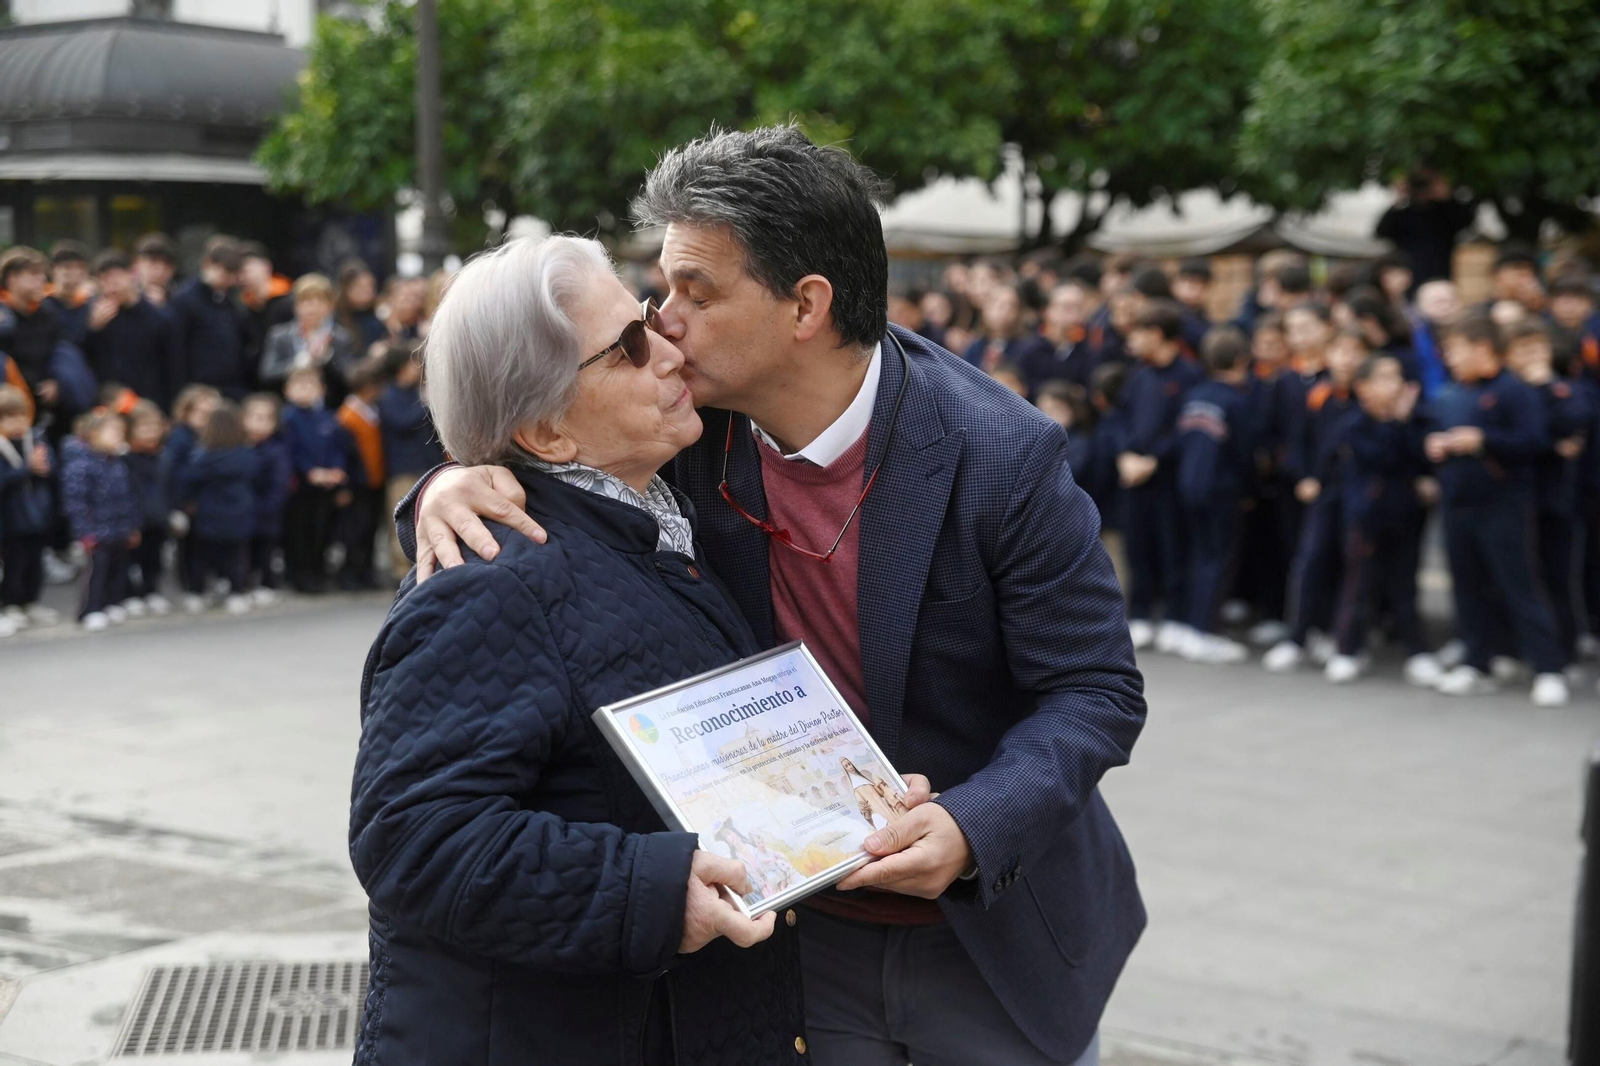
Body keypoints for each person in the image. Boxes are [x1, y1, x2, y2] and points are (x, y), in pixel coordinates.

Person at [400, 127, 1144, 1066]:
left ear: (806, 306)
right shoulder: (687, 423)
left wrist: (972, 821)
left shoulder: (998, 452)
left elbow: (1095, 689)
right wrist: (449, 482)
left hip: (989, 927)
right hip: (788, 933)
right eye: (662, 290)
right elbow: (548, 450)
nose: (662, 325)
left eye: (694, 295)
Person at [350, 232, 808, 1065]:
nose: (670, 348)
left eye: (646, 318)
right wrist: (654, 892)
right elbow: (414, 836)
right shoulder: (490, 578)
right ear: (548, 433)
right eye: (630, 347)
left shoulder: (654, 512)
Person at [1425, 313, 1568, 705]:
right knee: (1467, 587)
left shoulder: (1514, 391)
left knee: (1519, 586)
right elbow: (1432, 431)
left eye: (1456, 349)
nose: (1450, 358)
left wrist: (1484, 440)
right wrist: (1436, 446)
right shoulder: (1451, 393)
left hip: (1504, 505)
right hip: (1457, 504)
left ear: (1483, 348)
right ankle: (1477, 662)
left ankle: (1548, 668)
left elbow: (1534, 441)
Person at [1323, 355, 1439, 685]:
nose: (1394, 385)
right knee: (1358, 586)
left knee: (1405, 586)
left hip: (1407, 514)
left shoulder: (1417, 419)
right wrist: (1396, 424)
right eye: (1384, 378)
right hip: (1366, 516)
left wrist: (1424, 474)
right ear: (1363, 389)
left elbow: (1422, 455)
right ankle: (1347, 649)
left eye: (1397, 377)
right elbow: (1380, 457)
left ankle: (1417, 652)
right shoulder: (1353, 424)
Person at [1263, 320, 1363, 672]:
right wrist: (1306, 476)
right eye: (1341, 351)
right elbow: (1300, 441)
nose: (1348, 359)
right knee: (1311, 561)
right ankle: (1298, 637)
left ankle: (1341, 640)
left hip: (1361, 494)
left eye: (1356, 352)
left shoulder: (1369, 397)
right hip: (1323, 493)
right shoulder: (1318, 394)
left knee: (1351, 567)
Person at [1118, 300, 1203, 654]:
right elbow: (1119, 417)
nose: (1131, 340)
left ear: (1156, 334)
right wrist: (1124, 455)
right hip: (1133, 477)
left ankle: (1173, 617)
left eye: (1138, 332)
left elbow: (1187, 427)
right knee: (1137, 548)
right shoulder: (1138, 374)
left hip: (1168, 479)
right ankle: (1137, 616)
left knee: (1172, 550)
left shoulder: (1189, 376)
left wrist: (1154, 460)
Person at [1505, 319, 1591, 666]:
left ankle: (1563, 650)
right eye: (1522, 350)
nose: (1532, 357)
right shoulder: (1505, 390)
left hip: (1555, 499)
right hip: (1510, 499)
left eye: (1538, 348)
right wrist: (1551, 443)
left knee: (1556, 577)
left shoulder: (1566, 388)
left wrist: (1544, 388)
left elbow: (1575, 420)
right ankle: (1515, 648)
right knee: (1516, 579)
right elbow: (1530, 435)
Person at [1174, 327, 1254, 665]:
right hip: (1222, 491)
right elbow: (1244, 453)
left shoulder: (1194, 396)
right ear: (1241, 359)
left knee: (1199, 557)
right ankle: (1205, 631)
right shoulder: (1237, 401)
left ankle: (1192, 626)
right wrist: (1250, 489)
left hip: (1189, 487)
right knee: (1217, 560)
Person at [60, 409, 140, 631]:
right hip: (95, 531)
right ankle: (90, 609)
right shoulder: (80, 465)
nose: (119, 438)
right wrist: (83, 532)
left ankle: (111, 602)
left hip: (118, 528)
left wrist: (132, 525)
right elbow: (75, 503)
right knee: (96, 572)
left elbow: (129, 497)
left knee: (117, 568)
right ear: (93, 434)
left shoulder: (118, 464)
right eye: (114, 433)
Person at [179, 403, 258, 615]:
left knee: (201, 556)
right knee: (237, 555)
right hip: (240, 512)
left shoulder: (203, 457)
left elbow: (187, 481)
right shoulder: (247, 455)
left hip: (209, 513)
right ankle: (237, 592)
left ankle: (197, 592)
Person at [377, 342, 444, 583]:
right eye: (411, 364)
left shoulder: (418, 392)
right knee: (402, 518)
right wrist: (425, 403)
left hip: (427, 463)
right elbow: (401, 423)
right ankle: (400, 571)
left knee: (428, 516)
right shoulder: (389, 396)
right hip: (402, 467)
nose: (417, 369)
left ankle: (429, 564)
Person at [279, 366, 347, 593]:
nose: (305, 390)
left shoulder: (327, 417)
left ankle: (318, 572)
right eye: (299, 385)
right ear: (287, 390)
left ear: (322, 390)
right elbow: (291, 451)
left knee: (322, 529)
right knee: (300, 531)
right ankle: (299, 575)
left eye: (310, 385)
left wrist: (337, 469)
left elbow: (337, 448)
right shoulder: (288, 418)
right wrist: (309, 471)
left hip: (325, 485)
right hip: (300, 487)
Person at [84, 250, 179, 411]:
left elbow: (173, 367)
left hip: (150, 405)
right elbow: (85, 360)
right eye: (104, 280)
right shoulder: (95, 314)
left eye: (116, 278)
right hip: (109, 406)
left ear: (132, 275)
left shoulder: (158, 317)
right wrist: (92, 330)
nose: (111, 286)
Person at [0, 385, 56, 632]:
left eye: (22, 415)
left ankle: (29, 601)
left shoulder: (35, 439)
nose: (18, 422)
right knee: (14, 563)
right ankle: (11, 602)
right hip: (9, 520)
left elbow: (51, 468)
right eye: (9, 417)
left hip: (36, 514)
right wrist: (27, 468)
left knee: (35, 561)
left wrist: (45, 466)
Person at [169, 236, 252, 399]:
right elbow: (177, 351)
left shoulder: (228, 301)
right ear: (208, 264)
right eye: (224, 272)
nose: (228, 279)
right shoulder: (185, 300)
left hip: (231, 388)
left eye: (232, 274)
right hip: (199, 390)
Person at [259, 273, 358, 405]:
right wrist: (298, 362)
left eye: (319, 302)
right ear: (295, 306)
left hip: (328, 411)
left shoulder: (341, 337)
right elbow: (266, 374)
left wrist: (328, 359)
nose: (312, 308)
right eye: (306, 301)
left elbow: (349, 378)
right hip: (288, 410)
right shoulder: (279, 335)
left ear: (330, 306)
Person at [333, 357, 386, 589]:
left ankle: (366, 571)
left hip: (375, 479)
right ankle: (350, 573)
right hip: (357, 483)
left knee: (371, 529)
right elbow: (343, 455)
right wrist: (343, 486)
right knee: (355, 529)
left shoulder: (373, 411)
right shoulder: (347, 416)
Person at [1374, 170, 1474, 287]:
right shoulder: (1402, 214)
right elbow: (1380, 232)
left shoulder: (1444, 212)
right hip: (1409, 277)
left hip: (1440, 274)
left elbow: (1466, 222)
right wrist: (1399, 199)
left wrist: (1446, 196)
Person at [122, 400, 172, 615]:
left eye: (154, 426)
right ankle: (131, 595)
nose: (151, 432)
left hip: (157, 519)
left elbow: (169, 488)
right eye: (144, 427)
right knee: (132, 562)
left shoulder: (163, 456)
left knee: (154, 559)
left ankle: (151, 591)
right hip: (135, 521)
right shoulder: (125, 459)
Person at [242, 393, 293, 603]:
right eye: (254, 417)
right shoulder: (238, 448)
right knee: (244, 550)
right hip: (243, 512)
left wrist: (268, 507)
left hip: (267, 512)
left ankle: (266, 583)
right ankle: (243, 583)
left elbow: (280, 485)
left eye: (265, 418)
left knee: (266, 550)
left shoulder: (277, 450)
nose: (258, 423)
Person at [0, 247, 62, 415]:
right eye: (33, 274)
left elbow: (56, 354)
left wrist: (56, 380)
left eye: (42, 274)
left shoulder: (48, 314)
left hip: (44, 403)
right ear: (12, 279)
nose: (41, 280)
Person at [963, 286, 1050, 376]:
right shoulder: (974, 347)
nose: (1002, 310)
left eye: (1010, 305)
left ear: (1018, 312)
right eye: (995, 303)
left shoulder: (1030, 350)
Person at [238, 240, 295, 371]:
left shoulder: (290, 301)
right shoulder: (244, 311)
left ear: (266, 266)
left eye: (246, 270)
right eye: (239, 272)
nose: (242, 277)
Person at [1027, 281, 1094, 389]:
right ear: (1047, 310)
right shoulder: (1031, 349)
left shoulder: (1089, 349)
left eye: (1078, 308)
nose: (1073, 314)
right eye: (1066, 307)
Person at [44, 240, 94, 348]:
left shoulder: (89, 304)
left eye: (80, 267)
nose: (74, 273)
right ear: (53, 269)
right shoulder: (43, 304)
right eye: (67, 267)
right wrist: (90, 326)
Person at [335, 259, 387, 350]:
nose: (366, 292)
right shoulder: (336, 320)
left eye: (370, 286)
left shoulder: (378, 318)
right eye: (359, 286)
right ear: (346, 289)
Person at [1171, 258, 1213, 353]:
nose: (1196, 289)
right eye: (1190, 282)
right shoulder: (1170, 314)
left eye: (1202, 284)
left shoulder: (1203, 317)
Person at [133, 232, 179, 308]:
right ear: (137, 263)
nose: (160, 271)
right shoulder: (123, 297)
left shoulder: (181, 299)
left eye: (167, 264)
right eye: (153, 261)